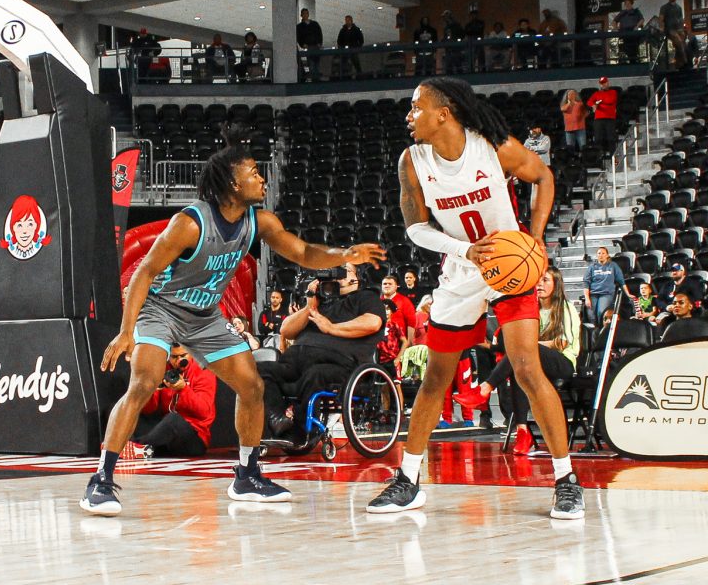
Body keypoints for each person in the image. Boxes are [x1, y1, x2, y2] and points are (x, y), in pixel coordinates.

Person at [83, 127, 385, 516]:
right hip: (161, 309)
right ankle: (102, 481)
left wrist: (345, 253)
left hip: (205, 317)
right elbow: (143, 273)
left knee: (253, 385)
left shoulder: (260, 222)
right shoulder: (189, 223)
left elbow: (305, 252)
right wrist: (126, 330)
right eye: (254, 172)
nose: (262, 178)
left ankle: (247, 474)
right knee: (144, 381)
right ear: (231, 182)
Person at [366, 77, 584, 520]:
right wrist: (464, 250)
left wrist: (536, 239)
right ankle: (408, 480)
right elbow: (415, 227)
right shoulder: (412, 161)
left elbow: (541, 175)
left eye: (416, 107)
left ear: (443, 112)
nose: (409, 116)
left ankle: (566, 480)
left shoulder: (491, 146)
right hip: (463, 268)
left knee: (525, 366)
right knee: (435, 377)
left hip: (509, 263)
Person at [459, 267, 580, 454]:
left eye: (546, 280)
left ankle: (485, 388)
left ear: (556, 285)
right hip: (535, 360)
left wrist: (529, 346)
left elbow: (562, 343)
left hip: (563, 363)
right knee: (520, 365)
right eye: (538, 281)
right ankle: (522, 431)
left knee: (523, 353)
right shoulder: (532, 309)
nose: (539, 284)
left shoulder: (566, 307)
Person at [259, 265, 385, 437]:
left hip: (338, 363)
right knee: (259, 369)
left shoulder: (366, 297)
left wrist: (331, 328)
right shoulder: (321, 301)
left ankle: (301, 431)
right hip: (295, 361)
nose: (338, 273)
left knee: (315, 374)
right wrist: (310, 306)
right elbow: (286, 330)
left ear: (356, 278)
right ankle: (277, 418)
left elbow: (372, 323)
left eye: (345, 270)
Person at [126, 345, 216, 458]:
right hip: (165, 435)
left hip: (194, 438)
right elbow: (149, 409)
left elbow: (204, 412)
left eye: (183, 356)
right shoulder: (163, 369)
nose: (179, 361)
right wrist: (151, 389)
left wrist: (183, 389)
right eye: (174, 357)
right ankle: (130, 446)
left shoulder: (203, 370)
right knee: (126, 408)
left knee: (173, 419)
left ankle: (137, 447)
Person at [582, 246, 629, 327]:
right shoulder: (592, 266)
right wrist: (587, 298)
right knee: (590, 314)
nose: (601, 255)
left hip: (606, 293)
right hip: (593, 293)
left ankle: (602, 331)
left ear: (607, 255)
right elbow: (586, 283)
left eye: (603, 253)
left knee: (601, 312)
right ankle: (594, 333)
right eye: (599, 253)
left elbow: (621, 281)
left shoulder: (613, 265)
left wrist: (628, 294)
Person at [587, 76, 617, 151]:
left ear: (607, 83)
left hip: (610, 118)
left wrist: (599, 102)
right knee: (598, 139)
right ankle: (599, 157)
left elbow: (610, 100)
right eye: (601, 83)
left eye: (604, 83)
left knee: (611, 138)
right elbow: (589, 102)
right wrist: (594, 105)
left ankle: (612, 156)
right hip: (598, 119)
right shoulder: (596, 93)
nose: (603, 85)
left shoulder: (613, 92)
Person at [659, 0, 686, 68]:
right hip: (668, 29)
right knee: (678, 40)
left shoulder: (679, 8)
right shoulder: (664, 7)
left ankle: (679, 61)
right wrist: (661, 27)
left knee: (683, 42)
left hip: (677, 29)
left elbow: (680, 20)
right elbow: (661, 18)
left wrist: (681, 30)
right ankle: (684, 60)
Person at [615, 0, 645, 64]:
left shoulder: (636, 12)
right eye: (626, 4)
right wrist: (616, 28)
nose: (627, 5)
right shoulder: (622, 13)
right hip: (624, 33)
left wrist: (637, 26)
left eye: (628, 3)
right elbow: (614, 21)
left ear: (632, 4)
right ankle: (626, 61)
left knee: (633, 48)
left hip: (633, 33)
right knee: (625, 47)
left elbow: (642, 20)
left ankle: (634, 61)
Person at [296, 9, 323, 81]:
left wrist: (319, 43)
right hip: (308, 46)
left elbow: (319, 34)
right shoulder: (299, 27)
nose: (305, 15)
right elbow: (299, 37)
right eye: (304, 14)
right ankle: (314, 79)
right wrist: (303, 44)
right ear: (301, 15)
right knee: (311, 63)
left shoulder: (315, 24)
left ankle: (316, 78)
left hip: (316, 46)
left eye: (306, 13)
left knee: (317, 63)